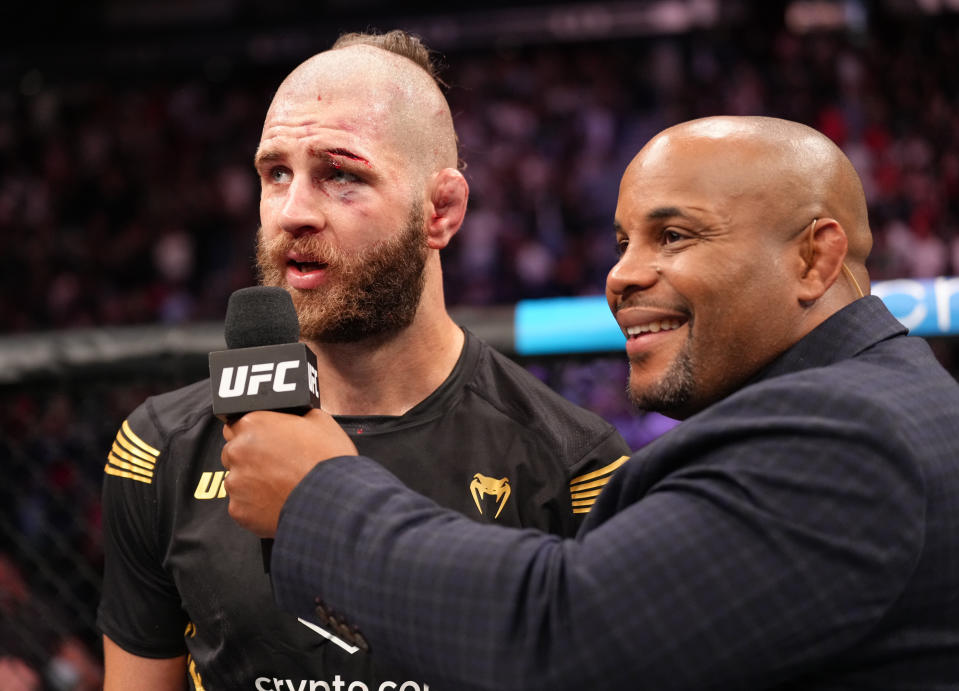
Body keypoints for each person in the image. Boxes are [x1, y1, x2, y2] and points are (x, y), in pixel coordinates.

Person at [222, 115, 959, 690]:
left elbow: (562, 636)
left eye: (672, 235)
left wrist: (319, 497)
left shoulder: (846, 435)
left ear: (814, 257)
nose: (621, 275)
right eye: (621, 240)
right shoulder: (884, 397)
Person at [96, 30, 631, 691]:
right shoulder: (158, 449)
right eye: (275, 174)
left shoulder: (572, 462)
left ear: (441, 210)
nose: (292, 212)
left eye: (340, 174)